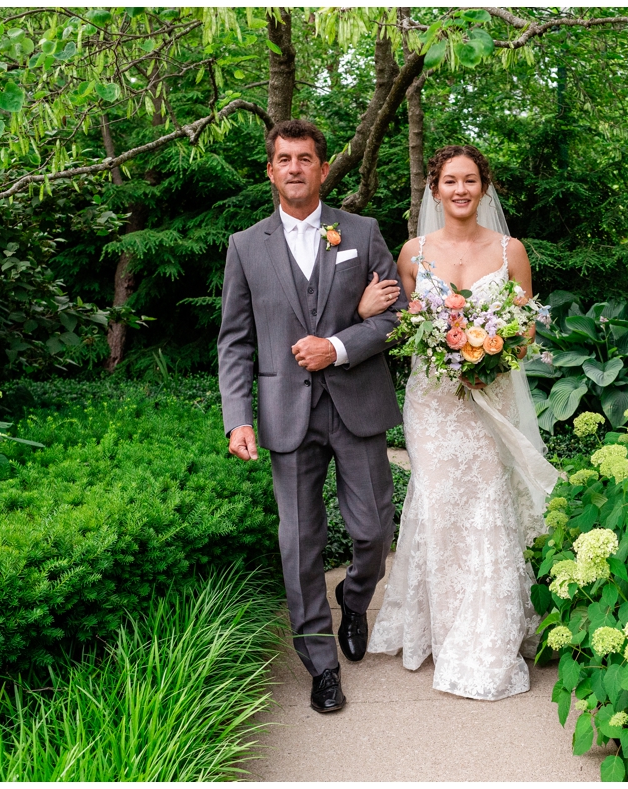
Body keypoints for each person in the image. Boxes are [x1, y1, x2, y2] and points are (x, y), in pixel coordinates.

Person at [353, 145, 560, 700]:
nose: (461, 189)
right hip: (434, 403)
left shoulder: (510, 250)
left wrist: (487, 359)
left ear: (485, 188)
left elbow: (525, 329)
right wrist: (367, 313)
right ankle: (441, 630)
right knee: (440, 506)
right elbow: (401, 323)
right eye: (451, 180)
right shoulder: (413, 252)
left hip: (489, 398)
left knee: (486, 505)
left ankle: (488, 633)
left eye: (471, 180)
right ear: (436, 190)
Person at [218, 119, 408, 714]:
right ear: (270, 171)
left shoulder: (361, 231)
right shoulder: (246, 246)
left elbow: (394, 315)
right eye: (284, 159)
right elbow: (235, 340)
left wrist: (339, 345)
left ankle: (355, 598)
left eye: (306, 158)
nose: (295, 167)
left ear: (323, 169)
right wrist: (237, 416)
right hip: (284, 413)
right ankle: (321, 665)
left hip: (357, 404)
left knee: (375, 531)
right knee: (299, 544)